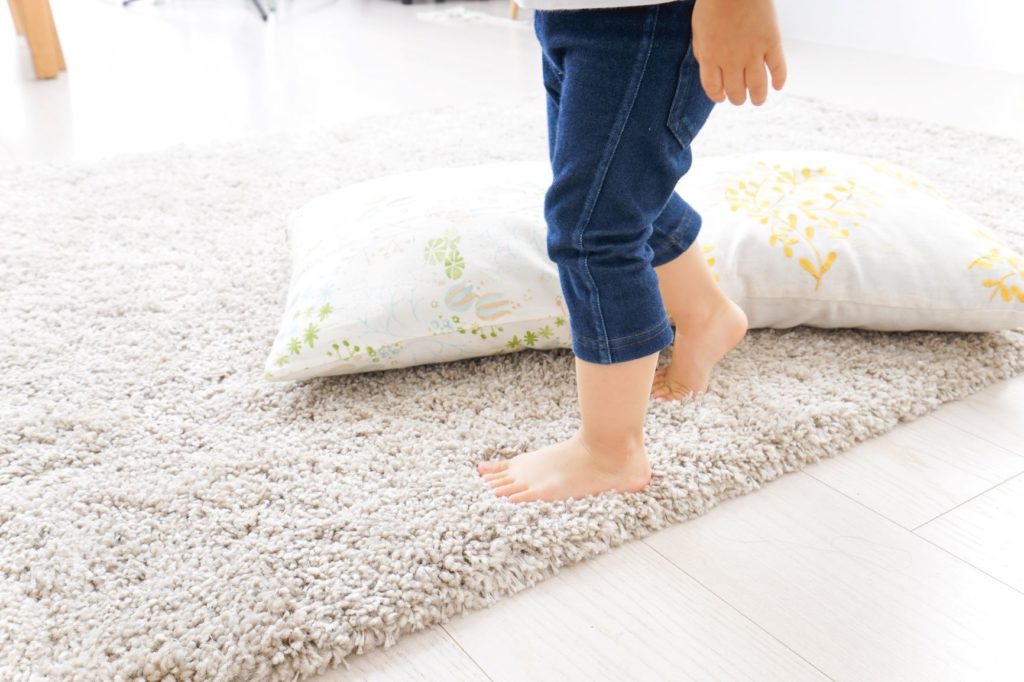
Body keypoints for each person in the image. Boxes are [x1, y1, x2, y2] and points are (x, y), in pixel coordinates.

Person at [478, 0, 787, 503]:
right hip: (567, 14)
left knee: (592, 228)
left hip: (648, 17)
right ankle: (706, 313)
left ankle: (610, 450)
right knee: (612, 187)